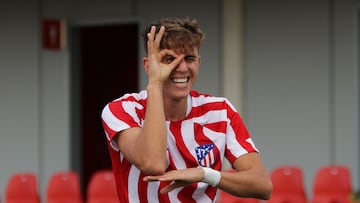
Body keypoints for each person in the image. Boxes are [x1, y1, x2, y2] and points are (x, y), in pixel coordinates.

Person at [101, 17, 272, 203]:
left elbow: (262, 185)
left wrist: (205, 174)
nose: (181, 68)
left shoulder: (220, 111)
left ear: (198, 62)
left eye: (189, 58)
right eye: (169, 59)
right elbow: (153, 163)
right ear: (148, 65)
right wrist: (155, 83)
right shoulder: (123, 109)